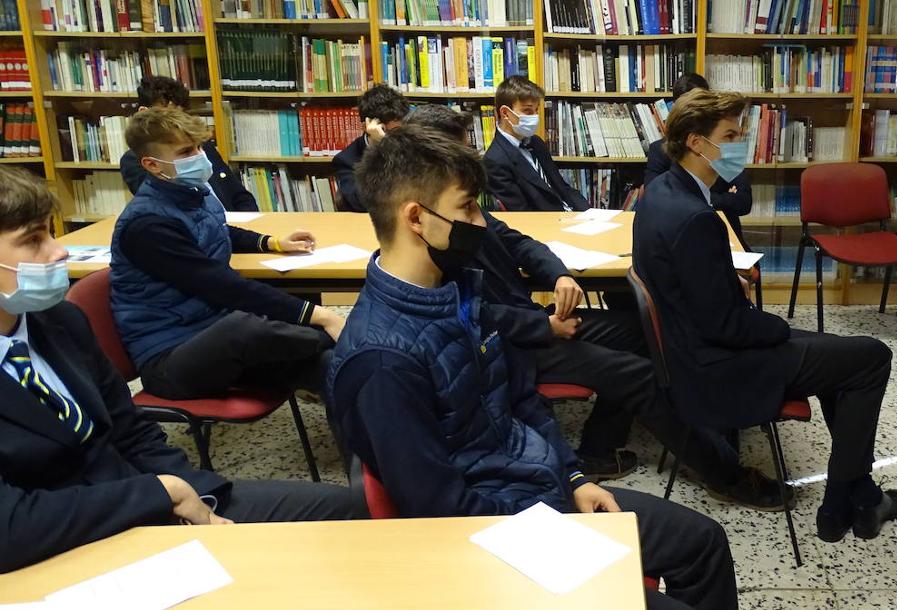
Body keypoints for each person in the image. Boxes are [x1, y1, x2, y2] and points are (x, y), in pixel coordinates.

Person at [324, 125, 738, 610]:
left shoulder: (454, 290)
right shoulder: (381, 361)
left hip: (539, 490)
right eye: (466, 208)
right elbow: (439, 509)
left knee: (703, 544)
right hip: (501, 535)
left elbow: (520, 398)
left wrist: (574, 478)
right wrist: (557, 527)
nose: (480, 222)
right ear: (416, 218)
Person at [405, 103, 789, 509]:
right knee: (641, 376)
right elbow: (462, 315)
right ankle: (725, 474)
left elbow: (519, 242)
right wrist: (543, 328)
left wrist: (559, 275)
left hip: (535, 322)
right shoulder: (429, 232)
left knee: (641, 330)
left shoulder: (462, 208)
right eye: (461, 153)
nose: (472, 162)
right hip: (509, 347)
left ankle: (600, 448)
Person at [0, 167, 363, 573]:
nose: (59, 251)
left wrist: (200, 498)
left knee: (351, 513)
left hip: (147, 504)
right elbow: (10, 527)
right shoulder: (146, 224)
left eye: (50, 233)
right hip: (64, 551)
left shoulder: (58, 321)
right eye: (33, 241)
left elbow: (129, 429)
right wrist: (160, 494)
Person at [633, 87, 897, 543]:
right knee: (871, 357)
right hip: (719, 366)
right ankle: (847, 498)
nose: (741, 144)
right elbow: (729, 325)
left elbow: (688, 286)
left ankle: (856, 496)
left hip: (693, 351)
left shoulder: (662, 191)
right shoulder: (696, 216)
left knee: (845, 359)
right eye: (731, 134)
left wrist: (723, 283)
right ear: (698, 143)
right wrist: (780, 326)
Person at [110, 108, 344, 401]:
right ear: (152, 165)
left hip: (214, 334)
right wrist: (322, 317)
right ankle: (348, 336)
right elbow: (222, 286)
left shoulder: (193, 194)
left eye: (199, 146)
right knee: (246, 325)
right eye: (186, 151)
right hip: (169, 356)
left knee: (334, 367)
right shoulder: (147, 226)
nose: (199, 156)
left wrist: (272, 243)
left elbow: (217, 229)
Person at [118, 75, 257, 212]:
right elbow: (168, 206)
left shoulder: (201, 144)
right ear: (144, 113)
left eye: (181, 115)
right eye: (168, 116)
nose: (178, 124)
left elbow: (239, 195)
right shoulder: (133, 161)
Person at [643, 73, 752, 241]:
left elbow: (743, 202)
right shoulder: (660, 154)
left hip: (731, 236)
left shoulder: (722, 152)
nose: (737, 144)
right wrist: (718, 197)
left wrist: (703, 198)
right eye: (729, 136)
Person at [484, 76, 589, 212]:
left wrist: (589, 212)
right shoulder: (494, 161)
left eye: (536, 110)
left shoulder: (535, 142)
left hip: (573, 216)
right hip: (549, 225)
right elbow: (522, 214)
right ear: (505, 113)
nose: (534, 117)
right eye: (527, 111)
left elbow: (562, 187)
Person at [332, 84, 410, 213]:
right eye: (392, 131)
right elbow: (361, 203)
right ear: (366, 126)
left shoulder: (410, 142)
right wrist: (384, 148)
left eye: (400, 129)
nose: (398, 137)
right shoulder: (346, 160)